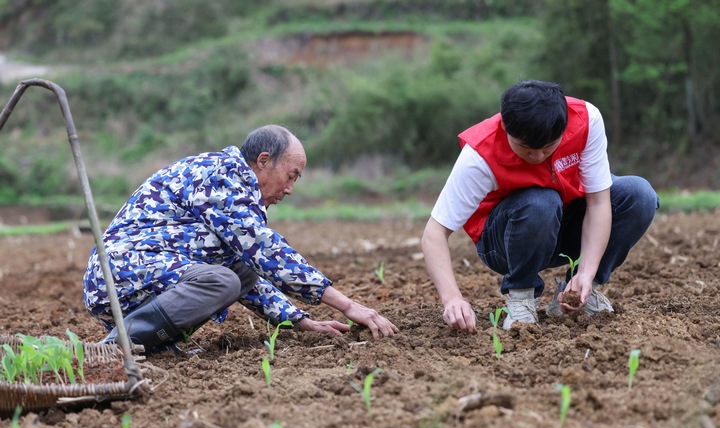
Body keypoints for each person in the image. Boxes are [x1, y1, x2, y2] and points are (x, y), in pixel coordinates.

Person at [84, 125, 399, 353]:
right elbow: (267, 252)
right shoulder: (223, 179)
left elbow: (246, 268)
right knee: (221, 282)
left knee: (236, 272)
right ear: (263, 161)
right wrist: (348, 305)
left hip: (142, 272)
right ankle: (117, 345)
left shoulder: (232, 183)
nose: (290, 189)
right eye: (291, 176)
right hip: (119, 275)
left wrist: (299, 321)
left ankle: (152, 346)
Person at [421, 80, 659, 332]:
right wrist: (452, 299)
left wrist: (587, 273)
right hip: (505, 243)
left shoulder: (587, 120)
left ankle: (578, 294)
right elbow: (434, 234)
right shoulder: (479, 156)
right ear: (505, 126)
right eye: (525, 148)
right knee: (541, 201)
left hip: (561, 225)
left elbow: (599, 202)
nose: (536, 157)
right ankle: (521, 298)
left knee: (638, 194)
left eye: (547, 149)